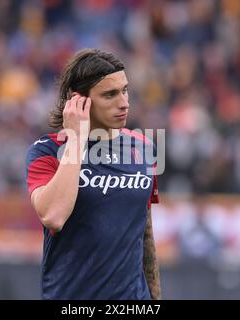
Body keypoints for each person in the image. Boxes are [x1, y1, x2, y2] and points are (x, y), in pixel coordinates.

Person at [25, 48, 161, 300]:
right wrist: (76, 138)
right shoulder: (47, 151)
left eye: (125, 90)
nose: (124, 102)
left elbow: (145, 232)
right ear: (80, 101)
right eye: (110, 94)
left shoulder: (143, 148)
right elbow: (53, 215)